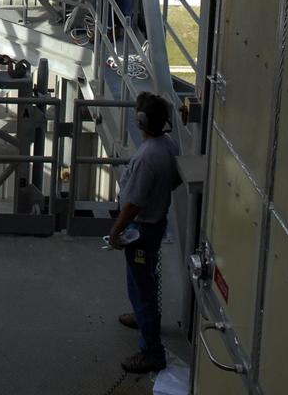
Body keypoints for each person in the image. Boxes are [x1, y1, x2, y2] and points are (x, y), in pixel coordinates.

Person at [109, 91, 181, 375]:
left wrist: (116, 230)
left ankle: (151, 352)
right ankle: (143, 318)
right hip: (155, 223)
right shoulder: (169, 145)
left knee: (142, 288)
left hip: (142, 228)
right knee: (145, 280)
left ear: (140, 121)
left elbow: (133, 204)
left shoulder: (147, 157)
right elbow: (174, 180)